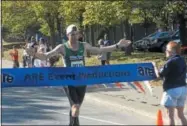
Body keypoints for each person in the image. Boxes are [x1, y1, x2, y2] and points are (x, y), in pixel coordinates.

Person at [26, 24, 131, 126]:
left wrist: (117, 45)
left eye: (76, 34)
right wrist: (34, 54)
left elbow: (100, 50)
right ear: (67, 35)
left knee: (75, 108)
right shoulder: (62, 47)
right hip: (69, 81)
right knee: (75, 107)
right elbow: (46, 56)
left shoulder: (84, 46)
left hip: (82, 81)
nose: (75, 36)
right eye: (72, 34)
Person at [154, 41, 187, 126]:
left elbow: (160, 75)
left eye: (167, 50)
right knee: (181, 115)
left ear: (172, 51)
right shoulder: (182, 60)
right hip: (183, 89)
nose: (165, 51)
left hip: (171, 89)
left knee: (170, 116)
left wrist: (154, 67)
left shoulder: (170, 62)